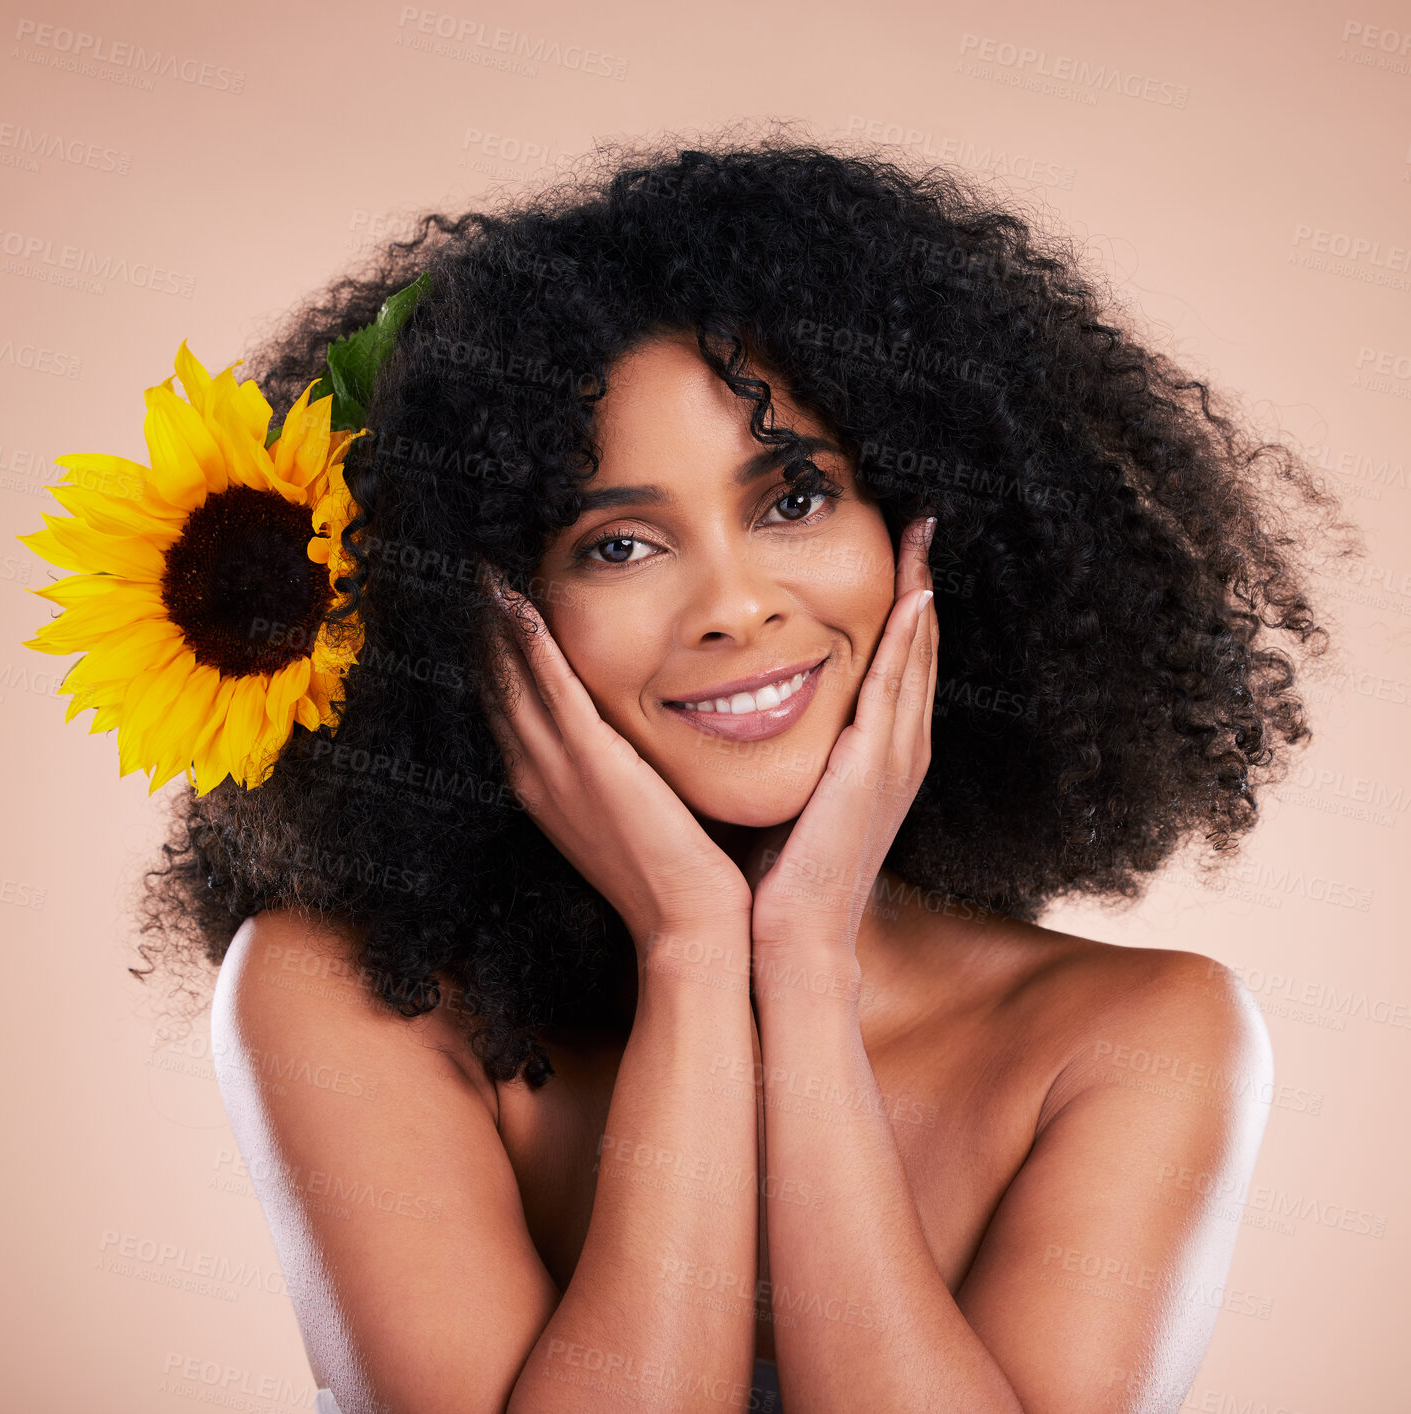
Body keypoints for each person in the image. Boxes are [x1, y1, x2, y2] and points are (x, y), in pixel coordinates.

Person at [125, 126, 1352, 1413]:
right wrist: (695, 952)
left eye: (794, 499)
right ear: (469, 615)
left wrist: (804, 961)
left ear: (928, 532)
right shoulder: (345, 995)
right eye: (616, 546)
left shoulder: (1135, 1043)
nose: (733, 605)